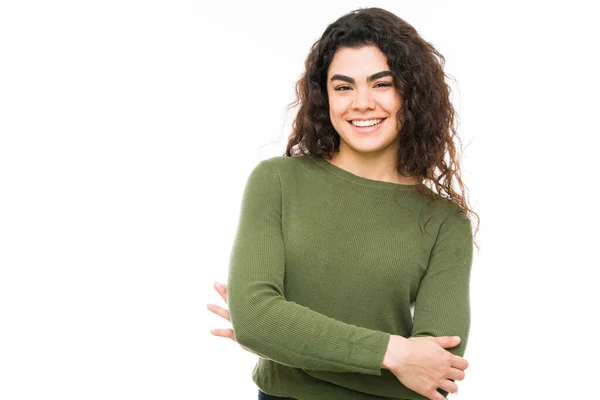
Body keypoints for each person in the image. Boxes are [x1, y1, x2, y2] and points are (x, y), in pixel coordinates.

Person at [206, 7, 480, 400]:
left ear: (412, 92)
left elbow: (436, 371)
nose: (362, 103)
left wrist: (289, 347)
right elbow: (256, 321)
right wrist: (395, 354)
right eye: (344, 87)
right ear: (325, 97)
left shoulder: (443, 221)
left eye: (382, 83)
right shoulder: (277, 182)